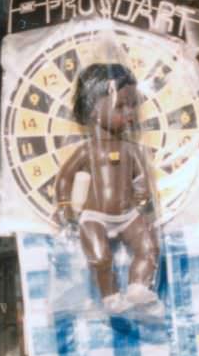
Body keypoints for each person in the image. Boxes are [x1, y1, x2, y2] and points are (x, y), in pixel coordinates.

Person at [53, 63, 160, 314]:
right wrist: (65, 205)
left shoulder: (131, 150)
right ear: (92, 108)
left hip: (127, 215)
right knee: (100, 258)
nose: (130, 113)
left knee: (149, 247)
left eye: (133, 105)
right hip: (94, 216)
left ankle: (137, 287)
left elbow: (142, 178)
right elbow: (64, 179)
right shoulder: (86, 150)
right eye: (121, 105)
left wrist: (143, 197)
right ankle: (110, 298)